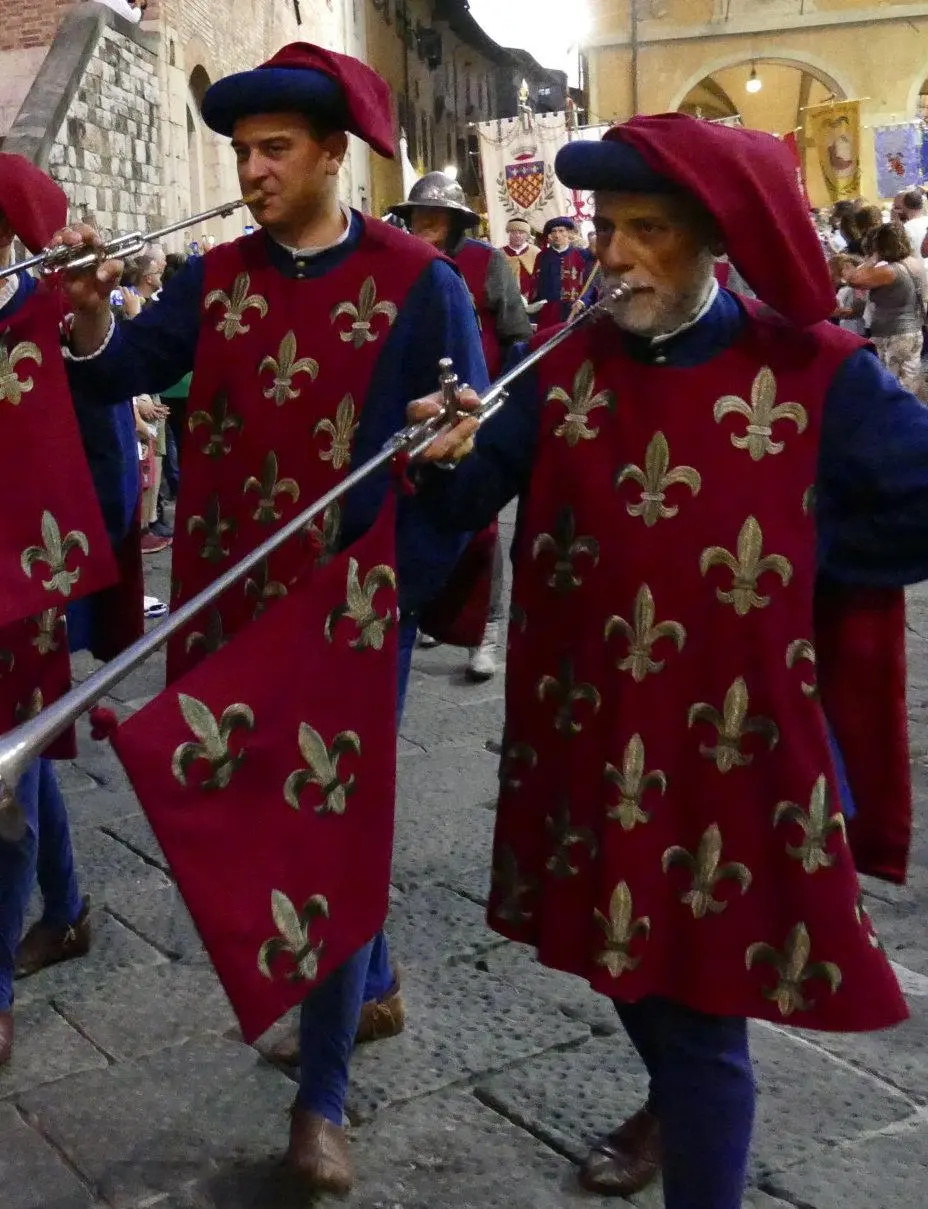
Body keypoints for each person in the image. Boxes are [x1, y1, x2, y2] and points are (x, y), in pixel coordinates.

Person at [406, 112, 927, 1209]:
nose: (614, 257)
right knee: (627, 971)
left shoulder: (813, 371)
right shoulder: (562, 365)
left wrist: (809, 552)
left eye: (648, 229)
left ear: (713, 240)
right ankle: (668, 1103)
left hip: (738, 759)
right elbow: (462, 498)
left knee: (700, 1024)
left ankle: (692, 1141)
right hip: (589, 736)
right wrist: (435, 449)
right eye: (607, 228)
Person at [54, 42, 486, 1195]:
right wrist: (92, 320)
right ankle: (373, 978)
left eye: (274, 151)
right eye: (242, 152)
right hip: (225, 593)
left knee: (328, 836)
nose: (251, 170)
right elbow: (115, 373)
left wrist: (441, 474)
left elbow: (462, 456)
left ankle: (322, 1098)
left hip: (350, 612)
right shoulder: (212, 277)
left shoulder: (419, 283)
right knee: (250, 815)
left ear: (333, 155)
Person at [0, 155, 119, 1067]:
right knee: (23, 763)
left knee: (10, 774)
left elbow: (98, 365)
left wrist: (89, 307)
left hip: (19, 587)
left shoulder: (39, 312)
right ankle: (69, 906)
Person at [389, 173, 529, 681]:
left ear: (454, 224)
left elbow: (515, 330)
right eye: (417, 217)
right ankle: (426, 608)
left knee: (481, 527)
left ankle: (486, 629)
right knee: (416, 515)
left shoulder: (486, 263)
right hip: (409, 410)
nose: (423, 227)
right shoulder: (396, 263)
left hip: (473, 408)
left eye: (435, 218)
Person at [846, 221, 926, 394]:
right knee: (909, 381)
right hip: (914, 330)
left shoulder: (890, 271)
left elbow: (853, 279)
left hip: (892, 333)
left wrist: (873, 258)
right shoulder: (914, 263)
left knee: (889, 384)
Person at [529, 215, 593, 327]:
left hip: (575, 311)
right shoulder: (542, 256)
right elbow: (535, 286)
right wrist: (533, 317)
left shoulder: (581, 254)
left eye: (561, 231)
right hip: (548, 313)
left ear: (568, 233)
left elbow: (591, 281)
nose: (557, 235)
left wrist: (583, 301)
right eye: (553, 231)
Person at [501, 217, 538, 296]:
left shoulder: (536, 252)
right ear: (509, 234)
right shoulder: (499, 253)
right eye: (514, 232)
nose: (517, 235)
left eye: (521, 232)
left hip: (533, 298)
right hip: (507, 299)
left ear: (527, 235)